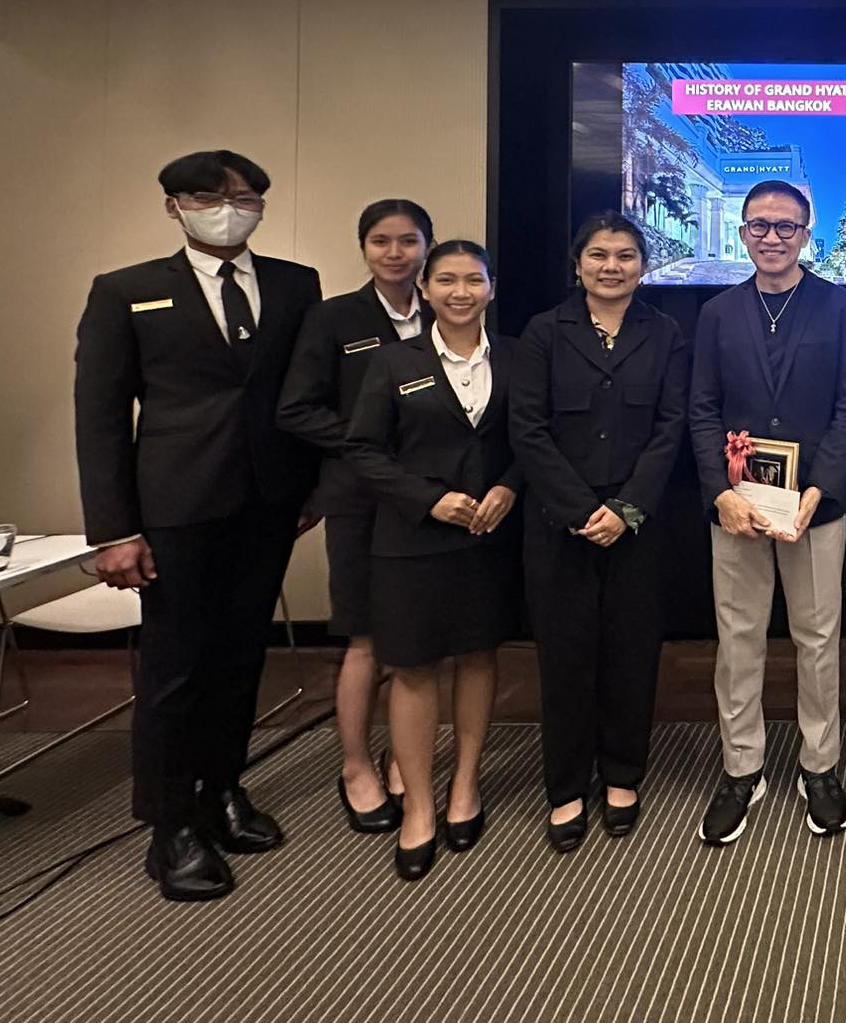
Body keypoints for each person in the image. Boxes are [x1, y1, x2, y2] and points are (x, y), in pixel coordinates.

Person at [74, 149, 321, 902]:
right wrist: (114, 530)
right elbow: (100, 418)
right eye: (210, 198)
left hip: (268, 505)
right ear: (175, 207)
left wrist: (310, 488)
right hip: (174, 511)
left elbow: (307, 394)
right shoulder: (126, 291)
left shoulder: (295, 284)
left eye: (244, 197)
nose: (229, 210)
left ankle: (223, 789)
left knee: (240, 659)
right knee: (174, 668)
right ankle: (169, 824)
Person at [687, 180, 846, 846]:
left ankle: (819, 765)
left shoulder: (841, 308)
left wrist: (822, 486)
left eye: (785, 226)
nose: (772, 237)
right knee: (738, 640)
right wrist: (720, 492)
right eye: (760, 225)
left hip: (814, 505)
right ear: (742, 233)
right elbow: (701, 408)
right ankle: (743, 768)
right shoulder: (717, 313)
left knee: (817, 640)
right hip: (736, 506)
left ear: (805, 234)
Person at [345, 240, 524, 882]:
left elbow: (531, 438)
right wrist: (429, 499)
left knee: (478, 658)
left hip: (488, 537)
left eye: (473, 279)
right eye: (445, 280)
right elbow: (363, 450)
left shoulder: (517, 356)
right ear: (425, 289)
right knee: (415, 668)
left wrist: (510, 486)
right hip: (412, 540)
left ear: (491, 287)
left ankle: (465, 784)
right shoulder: (394, 361)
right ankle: (419, 804)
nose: (460, 292)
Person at [510, 214, 689, 851]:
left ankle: (621, 775)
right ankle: (565, 786)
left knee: (631, 655)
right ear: (577, 263)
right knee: (565, 658)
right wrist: (581, 510)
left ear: (644, 265)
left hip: (637, 527)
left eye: (626, 255)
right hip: (561, 525)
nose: (612, 266)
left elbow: (671, 427)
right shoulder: (543, 331)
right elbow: (527, 428)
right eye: (599, 255)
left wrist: (627, 509)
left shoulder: (665, 332)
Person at [276, 198, 433, 836]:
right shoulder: (333, 318)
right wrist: (371, 441)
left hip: (430, 498)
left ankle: (403, 754)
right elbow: (295, 409)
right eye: (381, 241)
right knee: (365, 637)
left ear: (427, 247)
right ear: (363, 247)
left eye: (408, 241)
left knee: (419, 638)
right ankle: (355, 765)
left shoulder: (448, 310)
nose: (395, 253)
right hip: (359, 497)